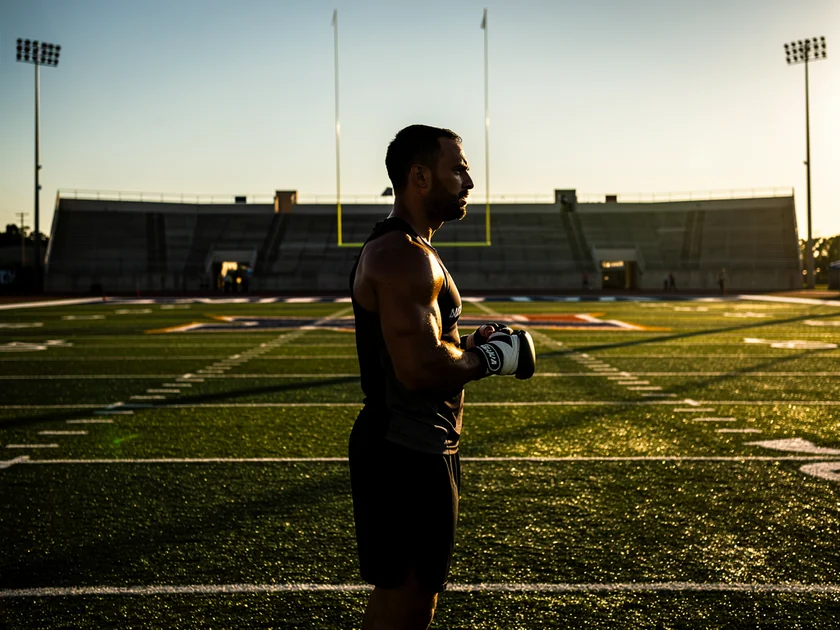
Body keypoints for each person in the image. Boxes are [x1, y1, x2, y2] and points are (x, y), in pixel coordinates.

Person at [348, 125, 536, 630]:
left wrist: (470, 345)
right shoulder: (401, 255)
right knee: (403, 600)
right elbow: (419, 368)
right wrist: (493, 360)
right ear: (420, 176)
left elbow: (428, 345)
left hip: (425, 442)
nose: (469, 180)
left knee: (417, 598)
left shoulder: (416, 250)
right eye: (458, 168)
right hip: (402, 446)